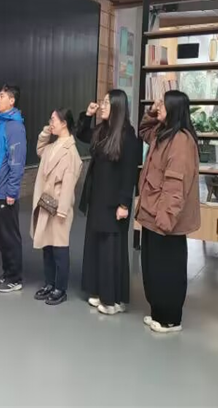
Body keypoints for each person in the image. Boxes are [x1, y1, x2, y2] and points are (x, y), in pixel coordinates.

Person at [136, 90, 200, 333]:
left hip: (165, 221)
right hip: (152, 215)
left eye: (163, 103)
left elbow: (175, 186)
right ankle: (158, 313)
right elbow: (143, 129)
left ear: (174, 109)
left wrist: (164, 222)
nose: (159, 105)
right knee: (153, 269)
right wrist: (152, 111)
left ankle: (170, 319)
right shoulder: (162, 132)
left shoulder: (181, 141)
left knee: (168, 271)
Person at [76, 90, 139, 315]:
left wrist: (124, 204)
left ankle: (113, 300)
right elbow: (82, 134)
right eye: (102, 102)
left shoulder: (127, 136)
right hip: (98, 198)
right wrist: (87, 115)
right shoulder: (102, 130)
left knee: (111, 250)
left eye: (106, 103)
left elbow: (129, 173)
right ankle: (99, 291)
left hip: (114, 203)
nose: (102, 106)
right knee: (96, 246)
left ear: (117, 107)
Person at [31, 109, 82, 306]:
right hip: (46, 203)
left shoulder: (71, 151)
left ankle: (60, 288)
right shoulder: (52, 146)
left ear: (64, 123)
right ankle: (49, 283)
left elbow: (69, 184)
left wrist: (62, 210)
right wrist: (47, 130)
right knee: (47, 246)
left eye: (53, 120)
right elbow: (39, 149)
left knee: (60, 248)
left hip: (59, 206)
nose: (50, 123)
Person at [0, 85, 27, 293]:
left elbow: (16, 162)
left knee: (9, 236)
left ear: (12, 101)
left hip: (5, 191)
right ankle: (7, 272)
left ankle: (15, 278)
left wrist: (12, 191)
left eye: (1, 96)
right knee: (0, 235)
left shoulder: (15, 127)